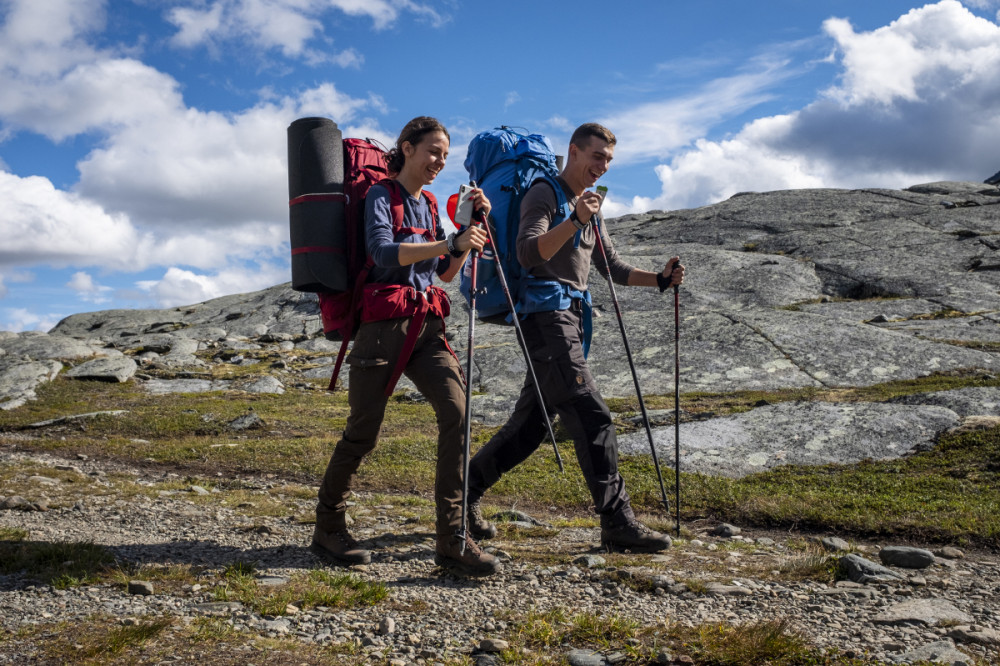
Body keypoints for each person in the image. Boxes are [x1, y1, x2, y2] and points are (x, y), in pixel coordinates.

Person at [464, 123, 685, 552]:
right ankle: (617, 522)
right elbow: (529, 253)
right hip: (543, 316)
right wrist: (574, 219)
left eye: (608, 160)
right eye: (596, 157)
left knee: (531, 427)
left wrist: (659, 280)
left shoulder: (590, 205)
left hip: (570, 318)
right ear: (574, 152)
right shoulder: (545, 193)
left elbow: (613, 268)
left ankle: (461, 496)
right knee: (592, 413)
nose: (602, 167)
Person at [311, 116, 499, 577]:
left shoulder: (431, 203)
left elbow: (445, 273)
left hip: (426, 327)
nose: (439, 161)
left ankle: (452, 538)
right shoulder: (381, 196)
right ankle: (328, 525)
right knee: (363, 432)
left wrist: (466, 234)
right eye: (432, 151)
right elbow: (381, 253)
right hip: (383, 329)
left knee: (457, 413)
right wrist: (447, 240)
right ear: (408, 148)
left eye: (445, 156)